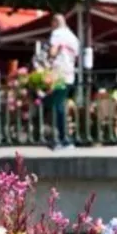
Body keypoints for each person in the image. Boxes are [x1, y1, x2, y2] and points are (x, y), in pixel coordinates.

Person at [46, 13, 80, 149]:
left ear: (55, 23)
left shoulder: (57, 34)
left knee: (56, 105)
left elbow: (53, 52)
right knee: (60, 104)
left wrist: (49, 56)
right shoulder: (73, 37)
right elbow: (76, 56)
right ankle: (63, 137)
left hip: (58, 74)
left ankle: (62, 138)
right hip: (69, 75)